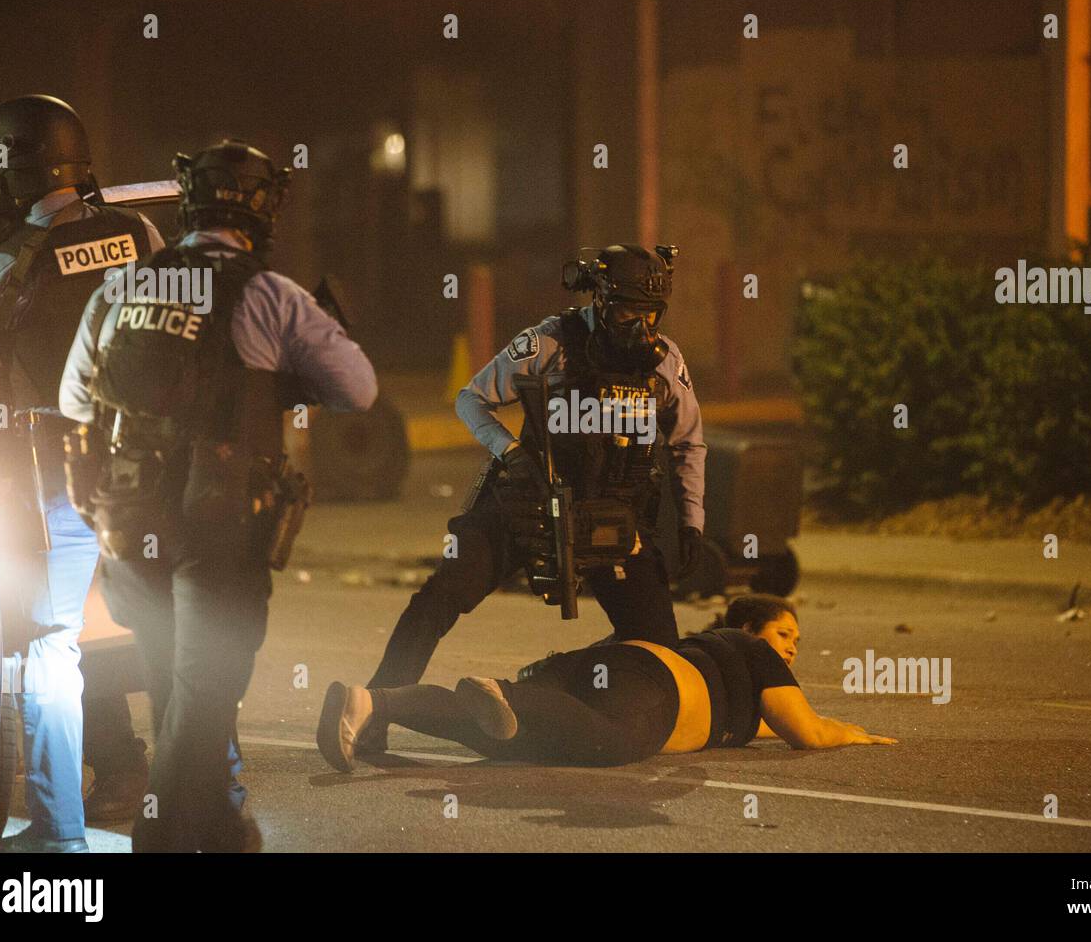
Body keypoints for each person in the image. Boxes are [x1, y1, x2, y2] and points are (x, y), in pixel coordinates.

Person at [60, 139, 377, 851]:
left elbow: (73, 401)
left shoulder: (122, 283)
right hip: (219, 527)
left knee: (175, 690)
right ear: (263, 208)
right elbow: (358, 389)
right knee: (204, 700)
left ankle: (227, 835)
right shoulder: (267, 294)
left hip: (128, 527)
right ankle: (163, 838)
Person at [345, 244, 707, 750]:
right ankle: (374, 710)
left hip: (612, 521)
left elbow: (688, 441)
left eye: (651, 314)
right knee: (438, 599)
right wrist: (512, 453)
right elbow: (471, 398)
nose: (640, 325)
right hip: (532, 505)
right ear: (600, 299)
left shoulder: (665, 359)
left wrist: (692, 521)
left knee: (657, 649)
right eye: (628, 310)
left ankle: (560, 689)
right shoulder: (550, 341)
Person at [0, 95, 163, 852]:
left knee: (48, 649)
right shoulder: (138, 231)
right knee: (173, 637)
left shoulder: (9, 262)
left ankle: (58, 835)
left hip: (55, 479)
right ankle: (203, 811)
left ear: (13, 167)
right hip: (153, 473)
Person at [320, 596, 894, 771]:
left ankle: (371, 702)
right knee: (617, 742)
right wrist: (847, 732)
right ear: (748, 629)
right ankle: (507, 694)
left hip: (609, 668)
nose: (790, 648)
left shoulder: (711, 649)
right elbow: (806, 732)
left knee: (511, 741)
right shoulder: (750, 650)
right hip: (654, 685)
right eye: (785, 634)